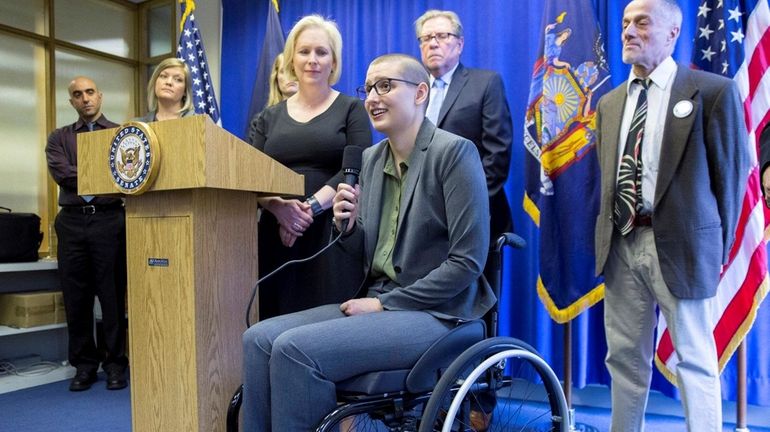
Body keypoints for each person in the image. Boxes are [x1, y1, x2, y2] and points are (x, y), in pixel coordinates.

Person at [240, 53, 492, 431]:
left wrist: (383, 302)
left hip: (440, 313)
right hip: (380, 300)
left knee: (295, 350)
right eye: (368, 88)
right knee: (257, 338)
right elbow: (362, 259)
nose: (372, 97)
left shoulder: (453, 152)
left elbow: (467, 263)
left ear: (420, 92)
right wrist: (348, 228)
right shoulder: (370, 160)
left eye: (385, 86)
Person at [594, 0, 750, 430]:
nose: (628, 31)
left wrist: (716, 249)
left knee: (696, 359)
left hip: (684, 247)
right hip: (622, 245)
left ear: (672, 33)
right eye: (625, 23)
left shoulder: (712, 92)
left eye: (641, 22)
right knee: (623, 359)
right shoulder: (608, 103)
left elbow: (731, 179)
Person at [247, 15, 372, 319]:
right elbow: (247, 174)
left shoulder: (352, 108)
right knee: (275, 322)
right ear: (291, 58)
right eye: (304, 51)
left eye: (321, 52)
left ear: (334, 61)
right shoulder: (267, 118)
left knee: (327, 324)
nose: (312, 60)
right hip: (276, 233)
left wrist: (306, 210)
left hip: (331, 231)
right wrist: (278, 208)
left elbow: (356, 166)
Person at [45, 77, 128, 391]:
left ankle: (116, 364)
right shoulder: (59, 138)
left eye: (90, 92)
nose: (85, 99)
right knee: (76, 297)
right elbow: (64, 176)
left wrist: (105, 174)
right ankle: (84, 366)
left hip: (109, 221)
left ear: (100, 96)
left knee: (112, 295)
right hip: (71, 222)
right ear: (72, 102)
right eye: (77, 95)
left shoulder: (121, 135)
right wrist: (107, 173)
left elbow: (129, 173)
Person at [415, 9, 513, 242]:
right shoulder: (414, 90)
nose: (433, 44)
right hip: (421, 219)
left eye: (441, 36)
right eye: (426, 38)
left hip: (474, 216)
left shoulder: (485, 83)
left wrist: (466, 206)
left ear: (459, 44)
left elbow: (497, 155)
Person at [136, 58, 195, 122]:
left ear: (185, 91)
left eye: (178, 79)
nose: (169, 82)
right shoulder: (136, 126)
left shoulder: (198, 123)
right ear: (155, 82)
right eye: (163, 76)